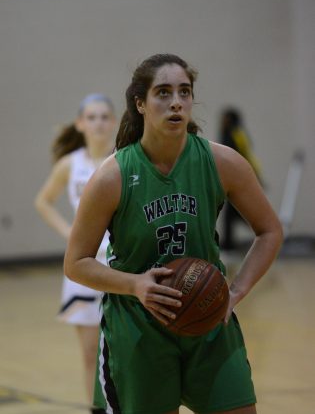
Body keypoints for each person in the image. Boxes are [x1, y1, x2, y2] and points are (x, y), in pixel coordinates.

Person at [64, 54, 283, 414]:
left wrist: (237, 291)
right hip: (138, 327)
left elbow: (270, 230)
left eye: (184, 91)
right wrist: (135, 284)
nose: (176, 102)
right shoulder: (112, 176)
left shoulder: (222, 162)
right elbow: (76, 263)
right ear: (140, 103)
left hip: (209, 318)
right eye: (163, 93)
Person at [35, 93, 116, 414]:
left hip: (121, 266)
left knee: (123, 353)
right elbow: (43, 201)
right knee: (90, 357)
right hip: (83, 269)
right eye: (92, 117)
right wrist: (70, 234)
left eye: (104, 116)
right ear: (81, 124)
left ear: (113, 122)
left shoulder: (123, 158)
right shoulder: (70, 164)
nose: (98, 122)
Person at [219, 108, 263, 251]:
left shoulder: (238, 134)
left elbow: (247, 156)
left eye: (226, 118)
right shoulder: (226, 134)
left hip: (238, 180)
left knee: (238, 214)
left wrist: (257, 178)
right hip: (230, 180)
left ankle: (264, 233)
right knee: (231, 215)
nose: (223, 121)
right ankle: (228, 243)